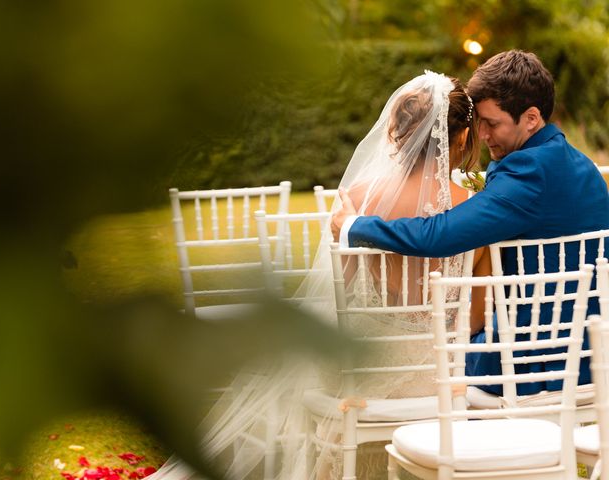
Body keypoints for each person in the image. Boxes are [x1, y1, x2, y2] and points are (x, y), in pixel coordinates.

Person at [145, 71, 486, 480]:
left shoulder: (358, 200)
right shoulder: (478, 209)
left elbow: (342, 293)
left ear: (396, 133)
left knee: (304, 381)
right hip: (437, 382)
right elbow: (476, 316)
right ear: (461, 137)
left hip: (366, 374)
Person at [332, 49, 609, 396]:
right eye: (478, 121)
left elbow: (439, 233)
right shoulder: (580, 166)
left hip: (528, 363)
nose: (482, 134)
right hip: (590, 354)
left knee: (436, 360)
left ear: (531, 118)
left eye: (492, 123)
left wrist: (354, 226)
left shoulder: (528, 174)